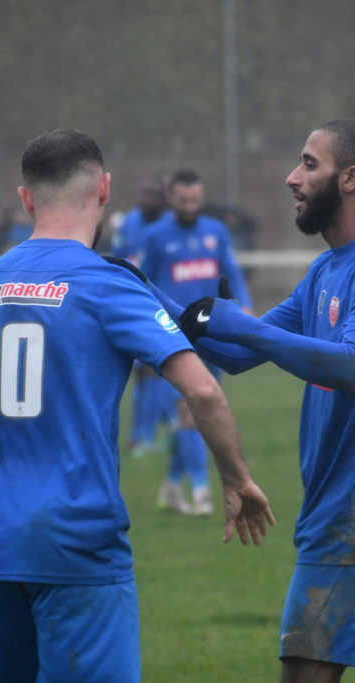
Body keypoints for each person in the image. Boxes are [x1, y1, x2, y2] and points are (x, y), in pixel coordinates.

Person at [0, 129, 274, 683]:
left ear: (26, 199)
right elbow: (202, 389)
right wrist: (236, 478)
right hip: (72, 538)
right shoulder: (106, 282)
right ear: (104, 189)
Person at [153, 119, 355, 681]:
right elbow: (238, 353)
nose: (291, 178)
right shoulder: (326, 268)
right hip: (334, 503)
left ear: (350, 179)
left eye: (308, 164)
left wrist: (243, 326)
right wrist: (138, 291)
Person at [138, 169, 253, 516]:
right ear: (170, 198)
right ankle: (202, 492)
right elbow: (144, 284)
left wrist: (244, 306)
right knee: (188, 413)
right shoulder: (155, 237)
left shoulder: (215, 232)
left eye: (194, 200)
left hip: (212, 336)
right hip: (174, 339)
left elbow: (231, 272)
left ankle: (172, 486)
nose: (189, 206)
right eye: (183, 200)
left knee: (201, 415)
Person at [108, 175, 173, 460]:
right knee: (140, 375)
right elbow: (117, 259)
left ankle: (144, 436)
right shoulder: (129, 224)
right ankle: (159, 428)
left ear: (163, 199)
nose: (145, 200)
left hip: (161, 307)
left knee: (151, 371)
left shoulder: (170, 226)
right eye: (143, 194)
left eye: (152, 195)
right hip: (130, 303)